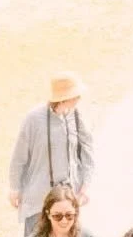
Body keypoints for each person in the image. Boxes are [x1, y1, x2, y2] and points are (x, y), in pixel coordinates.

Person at [9, 74, 95, 229]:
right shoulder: (34, 119)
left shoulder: (76, 117)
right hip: (38, 200)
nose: (79, 99)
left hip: (68, 201)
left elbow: (87, 153)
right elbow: (19, 157)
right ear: (63, 98)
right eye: (75, 95)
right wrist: (15, 188)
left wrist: (85, 186)